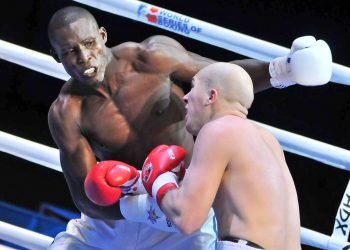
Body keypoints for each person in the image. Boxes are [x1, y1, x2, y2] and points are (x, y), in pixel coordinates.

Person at [46, 5, 330, 250]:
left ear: (103, 36)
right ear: (56, 56)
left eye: (89, 43)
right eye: (70, 51)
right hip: (121, 209)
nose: (84, 57)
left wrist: (285, 70)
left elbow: (221, 80)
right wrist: (143, 210)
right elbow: (85, 197)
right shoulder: (66, 112)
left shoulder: (151, 58)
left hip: (183, 199)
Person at [144, 62, 301, 249]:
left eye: (193, 87)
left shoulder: (218, 130)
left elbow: (187, 218)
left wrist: (159, 181)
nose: (185, 97)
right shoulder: (268, 140)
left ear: (211, 96)